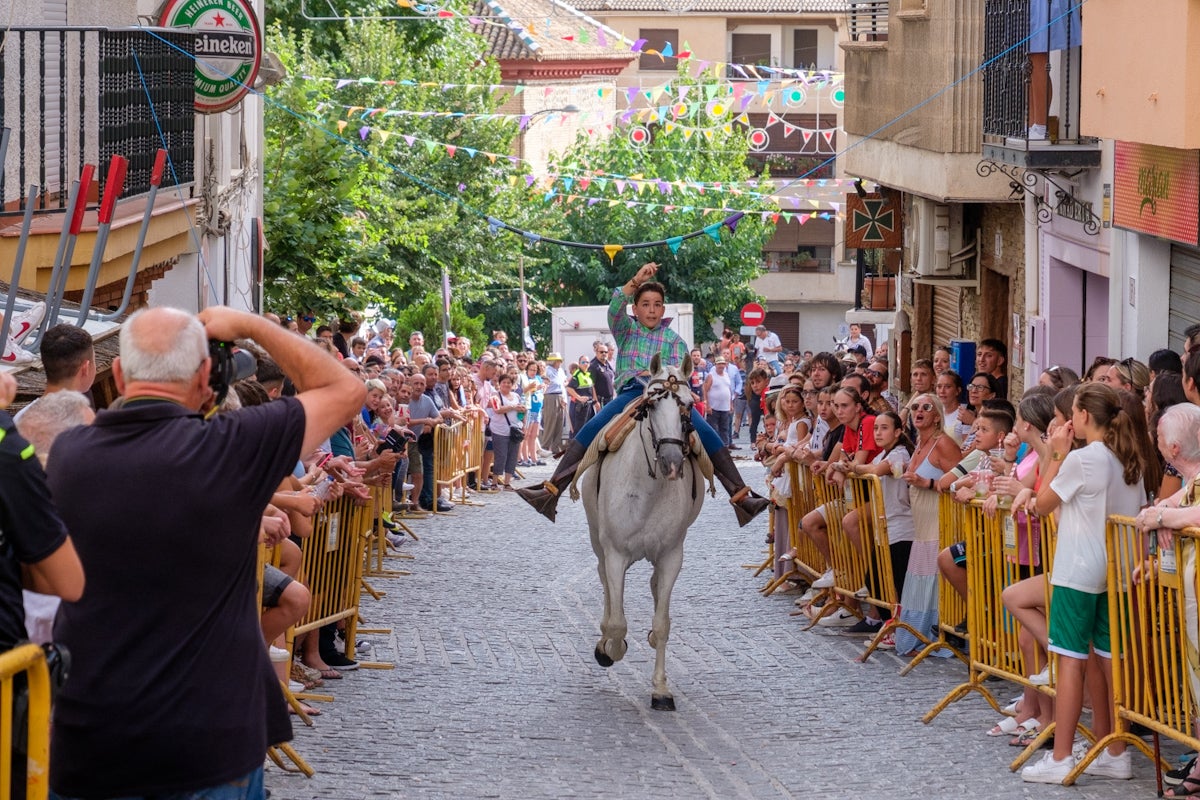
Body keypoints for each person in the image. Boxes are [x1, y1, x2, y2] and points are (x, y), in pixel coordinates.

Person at [45, 306, 364, 799]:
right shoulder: (233, 447)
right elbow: (346, 391)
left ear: (117, 374)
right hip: (208, 737)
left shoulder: (69, 455)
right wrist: (252, 326)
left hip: (94, 734)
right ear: (205, 377)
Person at [518, 263, 769, 526]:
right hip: (632, 394)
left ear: (663, 309)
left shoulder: (674, 340)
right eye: (645, 304)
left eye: (657, 304)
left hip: (667, 396)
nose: (651, 309)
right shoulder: (626, 331)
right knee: (591, 428)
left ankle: (741, 497)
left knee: (707, 433)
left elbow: (678, 374)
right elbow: (615, 307)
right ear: (635, 309)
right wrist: (636, 280)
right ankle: (551, 491)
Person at [1020, 383, 1157, 784]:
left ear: (1082, 417)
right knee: (1107, 659)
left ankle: (1061, 756)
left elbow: (1042, 502)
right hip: (1115, 569)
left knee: (1070, 660)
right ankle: (1115, 749)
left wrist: (1057, 454)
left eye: (1073, 413)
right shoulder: (1125, 457)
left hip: (1079, 568)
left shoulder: (1083, 459)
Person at [703, 356, 735, 447]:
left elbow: (728, 390)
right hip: (714, 407)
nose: (721, 366)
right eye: (719, 364)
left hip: (725, 407)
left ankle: (725, 446)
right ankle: (715, 446)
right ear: (715, 365)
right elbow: (705, 390)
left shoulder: (726, 375)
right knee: (713, 428)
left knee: (725, 428)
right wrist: (707, 405)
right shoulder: (711, 376)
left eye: (723, 364)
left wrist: (731, 404)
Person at [539, 352, 567, 454]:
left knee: (560, 422)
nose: (559, 362)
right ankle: (545, 446)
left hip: (560, 395)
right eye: (557, 360)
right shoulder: (547, 370)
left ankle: (556, 446)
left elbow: (563, 385)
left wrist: (564, 398)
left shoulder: (561, 371)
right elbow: (544, 382)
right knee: (550, 421)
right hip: (550, 396)